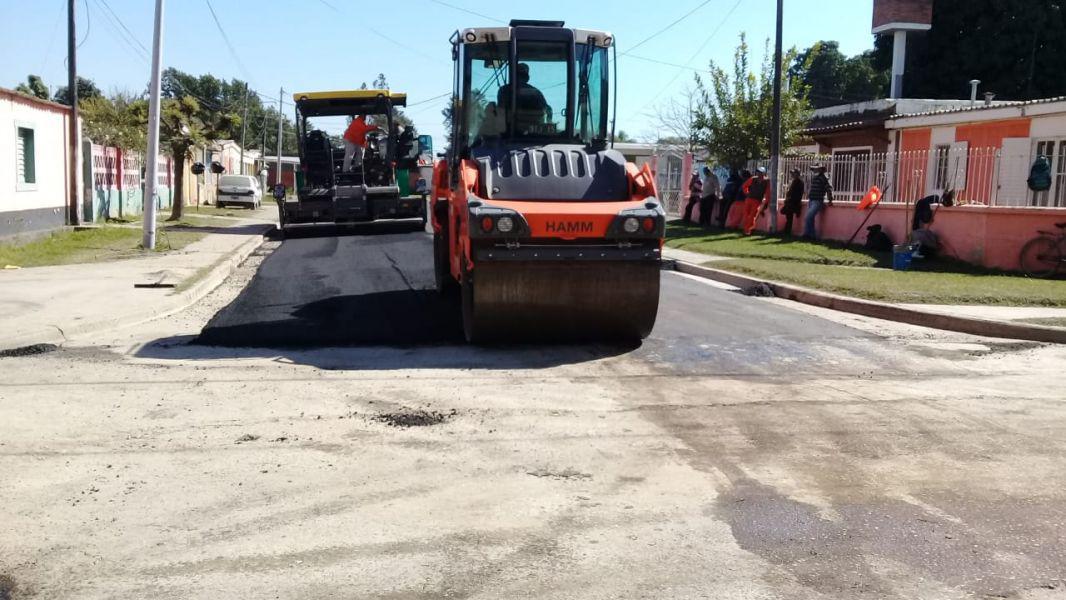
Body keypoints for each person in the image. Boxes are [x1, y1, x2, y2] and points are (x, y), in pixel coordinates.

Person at [497, 63, 550, 134]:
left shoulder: (504, 90)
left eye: (521, 76)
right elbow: (547, 110)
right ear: (527, 78)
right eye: (519, 76)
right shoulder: (535, 92)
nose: (520, 79)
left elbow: (500, 111)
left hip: (508, 133)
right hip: (531, 134)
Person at [910, 189, 955, 258]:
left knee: (919, 235)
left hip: (921, 219)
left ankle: (917, 250)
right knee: (918, 234)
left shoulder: (935, 199)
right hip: (921, 219)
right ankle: (916, 249)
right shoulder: (933, 199)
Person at [803, 164, 834, 240]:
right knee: (811, 218)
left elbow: (829, 189)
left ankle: (807, 234)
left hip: (817, 200)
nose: (814, 170)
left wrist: (830, 199)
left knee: (808, 217)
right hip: (812, 199)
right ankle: (811, 236)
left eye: (816, 169)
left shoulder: (823, 178)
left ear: (821, 170)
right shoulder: (815, 177)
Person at [741, 167, 770, 236]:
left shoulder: (767, 181)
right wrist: (747, 193)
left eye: (760, 172)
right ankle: (747, 229)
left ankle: (748, 230)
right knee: (746, 215)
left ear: (764, 173)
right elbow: (744, 186)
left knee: (752, 216)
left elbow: (768, 193)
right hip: (749, 199)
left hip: (757, 200)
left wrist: (766, 202)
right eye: (758, 172)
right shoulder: (753, 179)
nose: (759, 173)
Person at [781, 168, 804, 236]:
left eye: (794, 173)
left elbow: (797, 194)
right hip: (791, 201)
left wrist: (790, 198)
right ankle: (786, 230)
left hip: (793, 202)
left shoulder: (799, 182)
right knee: (788, 216)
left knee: (789, 216)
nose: (792, 175)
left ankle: (787, 231)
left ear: (797, 174)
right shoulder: (794, 181)